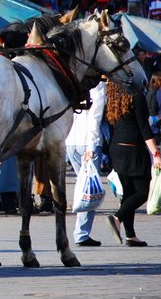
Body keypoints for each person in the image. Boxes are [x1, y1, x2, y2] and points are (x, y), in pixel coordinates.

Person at [104, 81, 161, 247]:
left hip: (117, 148)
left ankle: (130, 235)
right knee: (143, 192)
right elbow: (144, 128)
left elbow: (111, 127)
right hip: (133, 149)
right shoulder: (136, 97)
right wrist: (156, 154)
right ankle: (117, 218)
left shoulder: (113, 98)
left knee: (128, 193)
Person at [65, 81, 106, 246]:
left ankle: (80, 231)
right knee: (89, 188)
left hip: (71, 141)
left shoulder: (74, 82)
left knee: (81, 185)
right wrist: (92, 145)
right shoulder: (98, 86)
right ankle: (81, 233)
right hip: (88, 141)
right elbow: (95, 116)